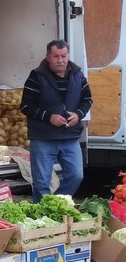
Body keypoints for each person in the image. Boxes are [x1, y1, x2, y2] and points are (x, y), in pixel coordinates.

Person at [20, 39, 92, 202]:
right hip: (43, 137)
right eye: (56, 56)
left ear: (68, 56)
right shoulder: (36, 76)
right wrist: (49, 117)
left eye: (63, 56)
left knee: (76, 176)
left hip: (70, 136)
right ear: (48, 58)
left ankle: (56, 203)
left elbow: (87, 99)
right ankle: (42, 217)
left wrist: (78, 114)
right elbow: (25, 106)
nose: (60, 60)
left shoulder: (78, 75)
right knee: (41, 183)